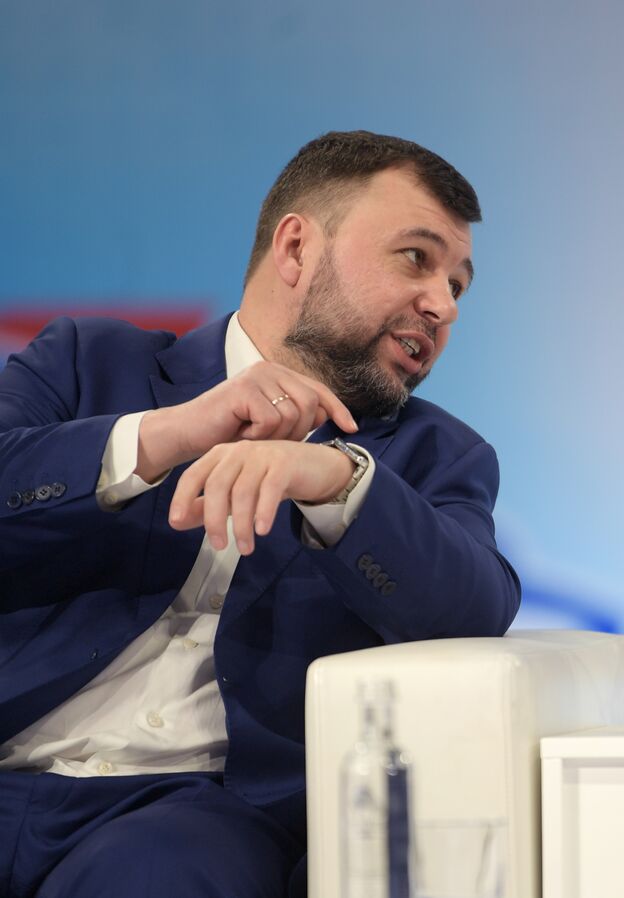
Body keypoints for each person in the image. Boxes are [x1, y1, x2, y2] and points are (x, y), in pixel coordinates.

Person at [0, 131, 521, 898]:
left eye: (458, 286)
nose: (441, 305)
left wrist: (336, 481)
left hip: (192, 814)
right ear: (297, 248)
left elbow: (474, 605)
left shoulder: (435, 456)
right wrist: (163, 435)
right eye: (417, 258)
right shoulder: (88, 362)